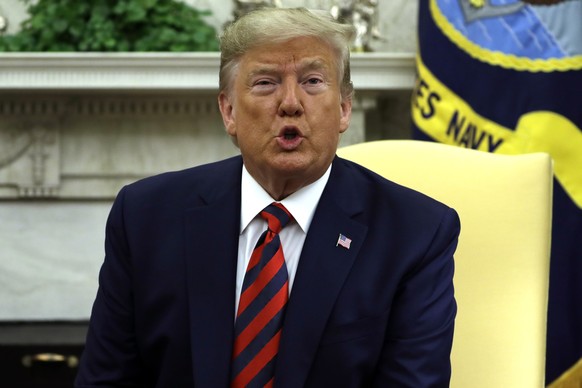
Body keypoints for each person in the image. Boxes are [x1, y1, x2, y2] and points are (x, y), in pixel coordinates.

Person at [75, 7, 460, 388]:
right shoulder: (146, 217)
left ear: (344, 109)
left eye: (312, 81)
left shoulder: (415, 234)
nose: (290, 102)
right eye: (265, 83)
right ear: (228, 111)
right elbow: (107, 379)